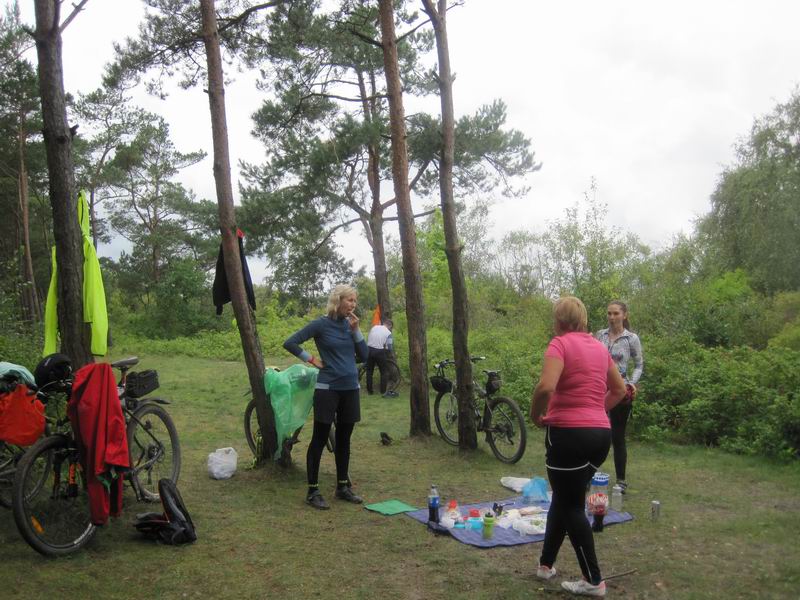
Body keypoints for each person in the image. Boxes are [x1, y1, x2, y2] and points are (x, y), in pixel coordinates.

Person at [530, 297, 626, 597]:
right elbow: (620, 389)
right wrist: (595, 410)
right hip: (600, 435)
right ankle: (546, 565)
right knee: (565, 495)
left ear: (559, 320)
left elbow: (546, 386)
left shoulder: (559, 344)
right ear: (583, 320)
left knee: (571, 504)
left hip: (567, 434)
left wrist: (536, 415)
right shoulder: (599, 347)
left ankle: (593, 579)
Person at [283, 284, 369, 510]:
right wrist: (312, 359)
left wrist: (357, 330)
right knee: (320, 439)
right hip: (327, 388)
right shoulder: (321, 324)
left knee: (344, 439)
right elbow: (290, 342)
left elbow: (365, 356)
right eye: (349, 300)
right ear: (338, 301)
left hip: (351, 388)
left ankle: (342, 487)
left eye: (354, 301)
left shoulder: (350, 326)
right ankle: (312, 491)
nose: (353, 305)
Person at [595, 300, 644, 494]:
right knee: (596, 433)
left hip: (620, 391)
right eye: (609, 313)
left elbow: (639, 364)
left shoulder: (631, 338)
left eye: (616, 313)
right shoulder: (600, 335)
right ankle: (590, 474)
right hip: (598, 390)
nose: (612, 317)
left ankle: (621, 481)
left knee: (617, 436)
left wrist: (631, 383)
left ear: (624, 315)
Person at [365, 318, 394, 397]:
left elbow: (369, 338)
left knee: (369, 371)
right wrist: (389, 353)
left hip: (369, 349)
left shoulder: (374, 327)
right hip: (379, 352)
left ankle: (370, 391)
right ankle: (383, 391)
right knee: (383, 372)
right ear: (390, 326)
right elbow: (389, 347)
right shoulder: (388, 333)